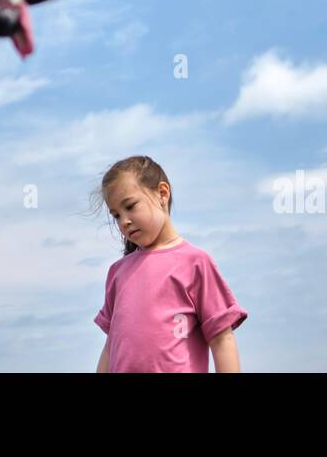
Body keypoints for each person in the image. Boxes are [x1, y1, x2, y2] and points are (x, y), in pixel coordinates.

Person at [92, 155, 248, 372]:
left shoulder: (195, 263)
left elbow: (222, 339)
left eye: (130, 206)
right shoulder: (117, 273)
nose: (124, 221)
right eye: (116, 215)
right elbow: (111, 347)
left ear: (162, 193)